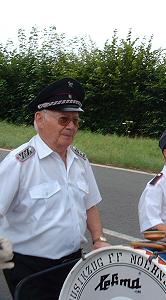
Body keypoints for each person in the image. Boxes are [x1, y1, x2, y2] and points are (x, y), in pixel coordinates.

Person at [0, 77, 110, 299]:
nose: (71, 126)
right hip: (31, 269)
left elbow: (90, 204)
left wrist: (99, 239)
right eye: (63, 120)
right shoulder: (20, 162)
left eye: (75, 121)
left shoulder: (80, 160)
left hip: (74, 263)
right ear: (40, 119)